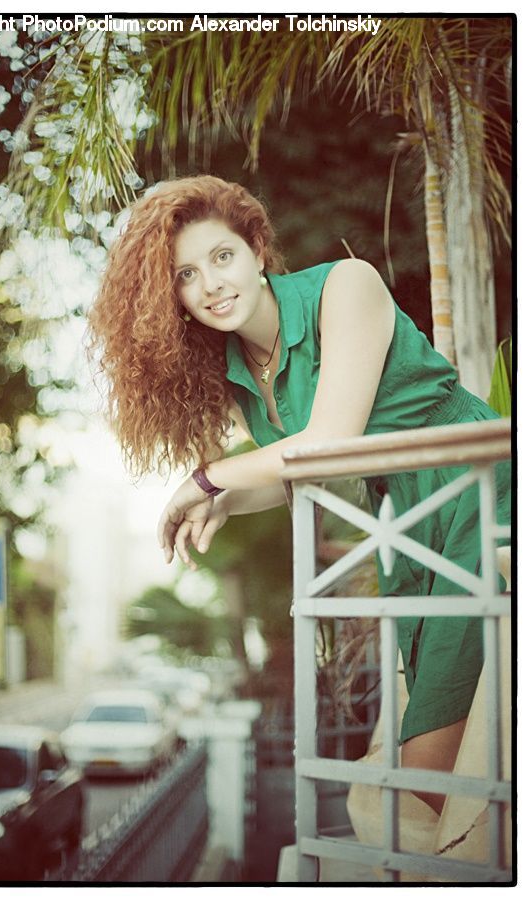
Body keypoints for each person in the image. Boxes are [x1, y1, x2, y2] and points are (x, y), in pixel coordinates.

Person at [88, 174, 510, 815]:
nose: (211, 285)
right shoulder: (236, 370)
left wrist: (208, 479)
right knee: (442, 729)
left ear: (257, 250)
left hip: (474, 488)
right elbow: (297, 472)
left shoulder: (346, 286)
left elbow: (330, 439)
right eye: (185, 275)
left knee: (433, 760)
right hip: (404, 521)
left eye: (222, 257)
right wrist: (227, 501)